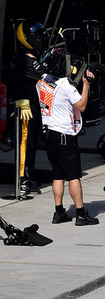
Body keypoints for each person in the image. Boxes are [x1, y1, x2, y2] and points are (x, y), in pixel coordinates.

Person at [36, 50, 99, 226]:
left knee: (58, 174)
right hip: (64, 134)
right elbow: (82, 106)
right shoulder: (66, 86)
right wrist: (86, 85)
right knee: (73, 176)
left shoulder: (41, 82)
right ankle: (81, 214)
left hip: (48, 132)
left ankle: (59, 212)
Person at [11, 21, 47, 192]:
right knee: (25, 142)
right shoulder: (24, 59)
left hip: (33, 106)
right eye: (36, 36)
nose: (40, 39)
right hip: (24, 109)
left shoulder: (31, 56)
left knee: (31, 142)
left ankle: (29, 174)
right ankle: (22, 178)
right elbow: (44, 76)